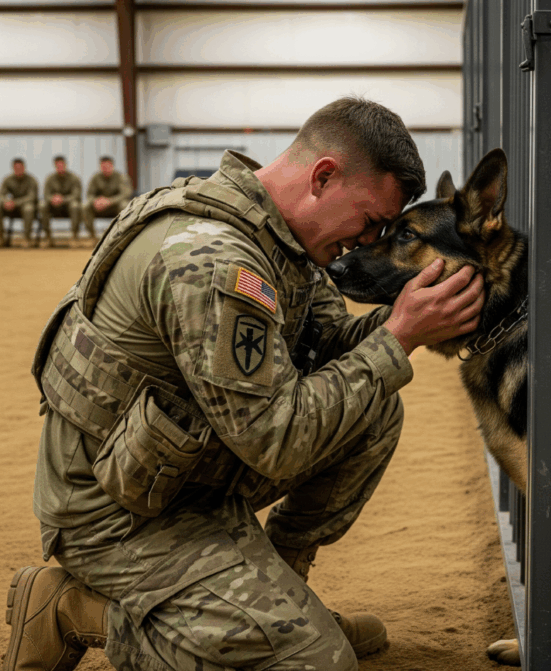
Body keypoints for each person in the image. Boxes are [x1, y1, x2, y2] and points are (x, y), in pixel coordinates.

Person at [5, 97, 484, 671]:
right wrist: (400, 339)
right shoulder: (214, 261)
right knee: (313, 663)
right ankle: (74, 608)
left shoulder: (282, 237)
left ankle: (279, 594)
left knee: (372, 407)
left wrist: (415, 315)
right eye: (369, 221)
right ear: (323, 177)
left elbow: (333, 348)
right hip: (116, 510)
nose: (366, 241)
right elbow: (277, 442)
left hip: (184, 471)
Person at [82, 155, 132, 239]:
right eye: (103, 167)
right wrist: (95, 201)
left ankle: (122, 235)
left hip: (115, 206)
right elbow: (89, 194)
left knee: (124, 205)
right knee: (85, 206)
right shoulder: (96, 178)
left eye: (107, 166)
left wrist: (109, 201)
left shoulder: (121, 177)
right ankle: (92, 236)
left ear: (112, 166)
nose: (105, 169)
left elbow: (125, 194)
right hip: (99, 207)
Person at [40, 155, 83, 247]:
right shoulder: (50, 179)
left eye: (62, 165)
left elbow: (76, 195)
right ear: (55, 166)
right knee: (42, 205)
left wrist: (62, 199)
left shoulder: (74, 178)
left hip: (68, 207)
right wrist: (52, 199)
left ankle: (74, 237)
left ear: (65, 165)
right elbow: (46, 195)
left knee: (75, 205)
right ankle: (48, 237)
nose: (60, 168)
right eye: (57, 166)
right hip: (54, 207)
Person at [0, 157, 38, 247]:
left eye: (20, 168)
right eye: (16, 168)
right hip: (11, 207)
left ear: (24, 167)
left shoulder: (31, 180)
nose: (18, 170)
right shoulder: (8, 180)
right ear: (13, 168)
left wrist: (15, 203)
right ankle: (1, 237)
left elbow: (32, 197)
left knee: (29, 208)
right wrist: (6, 201)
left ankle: (27, 238)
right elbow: (2, 195)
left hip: (24, 206)